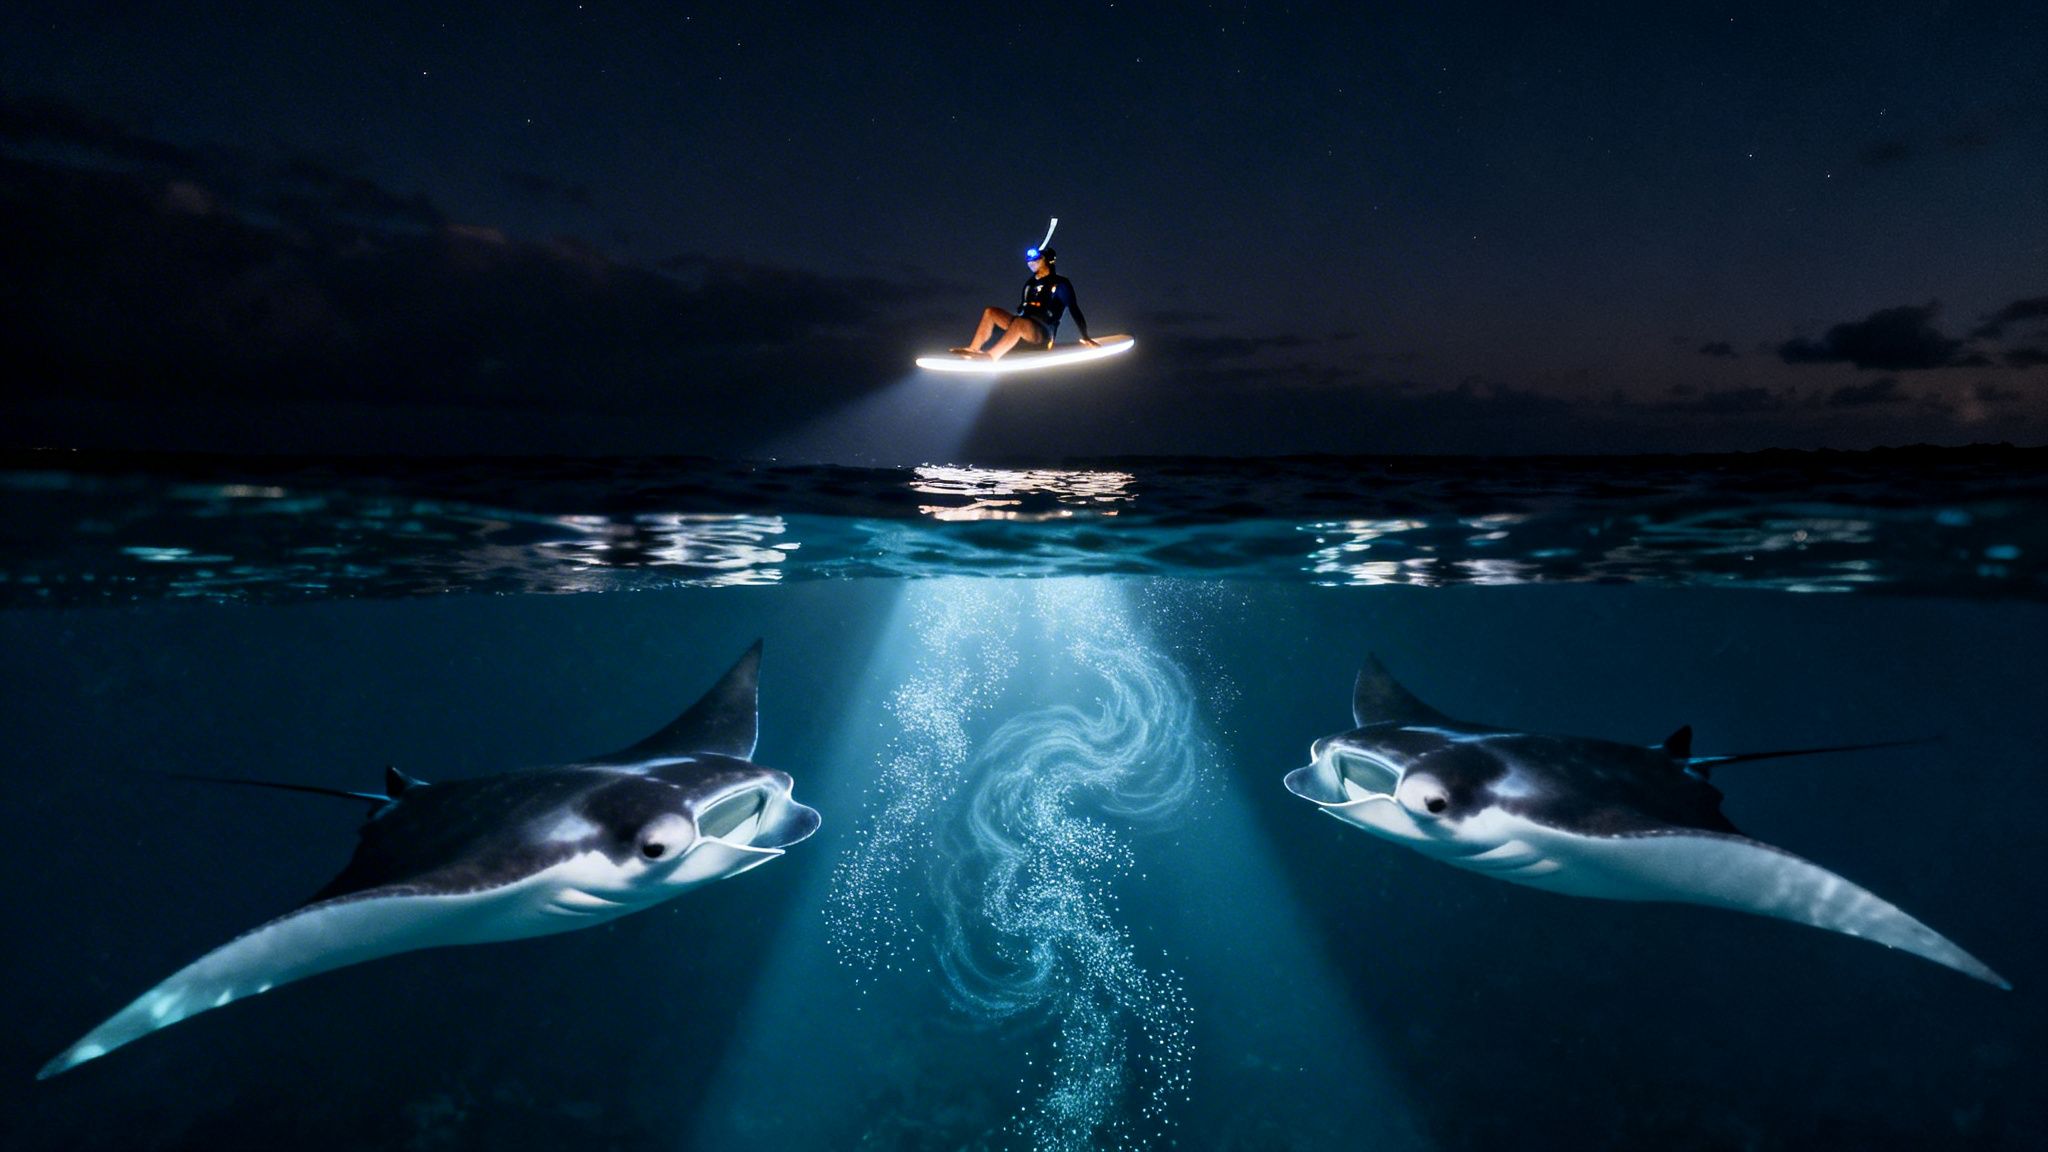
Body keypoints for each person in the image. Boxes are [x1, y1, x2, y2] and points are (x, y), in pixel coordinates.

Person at [950, 246, 1097, 360]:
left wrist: (1085, 336)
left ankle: (991, 356)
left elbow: (1074, 309)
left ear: (1047, 260)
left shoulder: (1060, 284)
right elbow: (1022, 310)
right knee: (991, 312)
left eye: (1036, 260)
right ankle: (973, 349)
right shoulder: (1030, 284)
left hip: (1043, 333)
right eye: (1029, 262)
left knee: (1020, 323)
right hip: (1024, 326)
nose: (1031, 264)